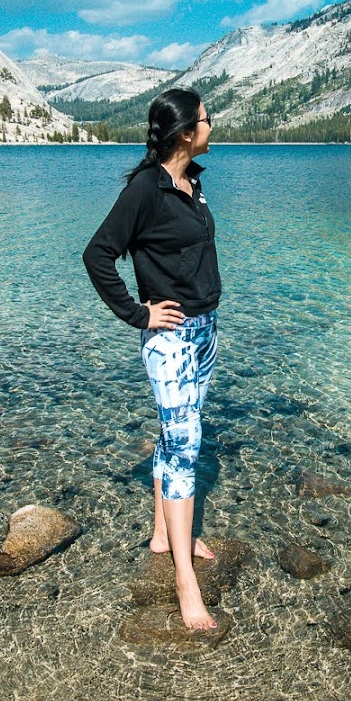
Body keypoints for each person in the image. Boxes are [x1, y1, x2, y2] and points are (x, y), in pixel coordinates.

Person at [82, 87, 221, 630]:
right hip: (173, 340)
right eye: (207, 120)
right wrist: (139, 316)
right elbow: (97, 255)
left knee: (176, 435)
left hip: (206, 331)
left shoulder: (194, 183)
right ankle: (186, 581)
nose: (213, 127)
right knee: (185, 449)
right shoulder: (145, 188)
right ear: (186, 132)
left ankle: (165, 534)